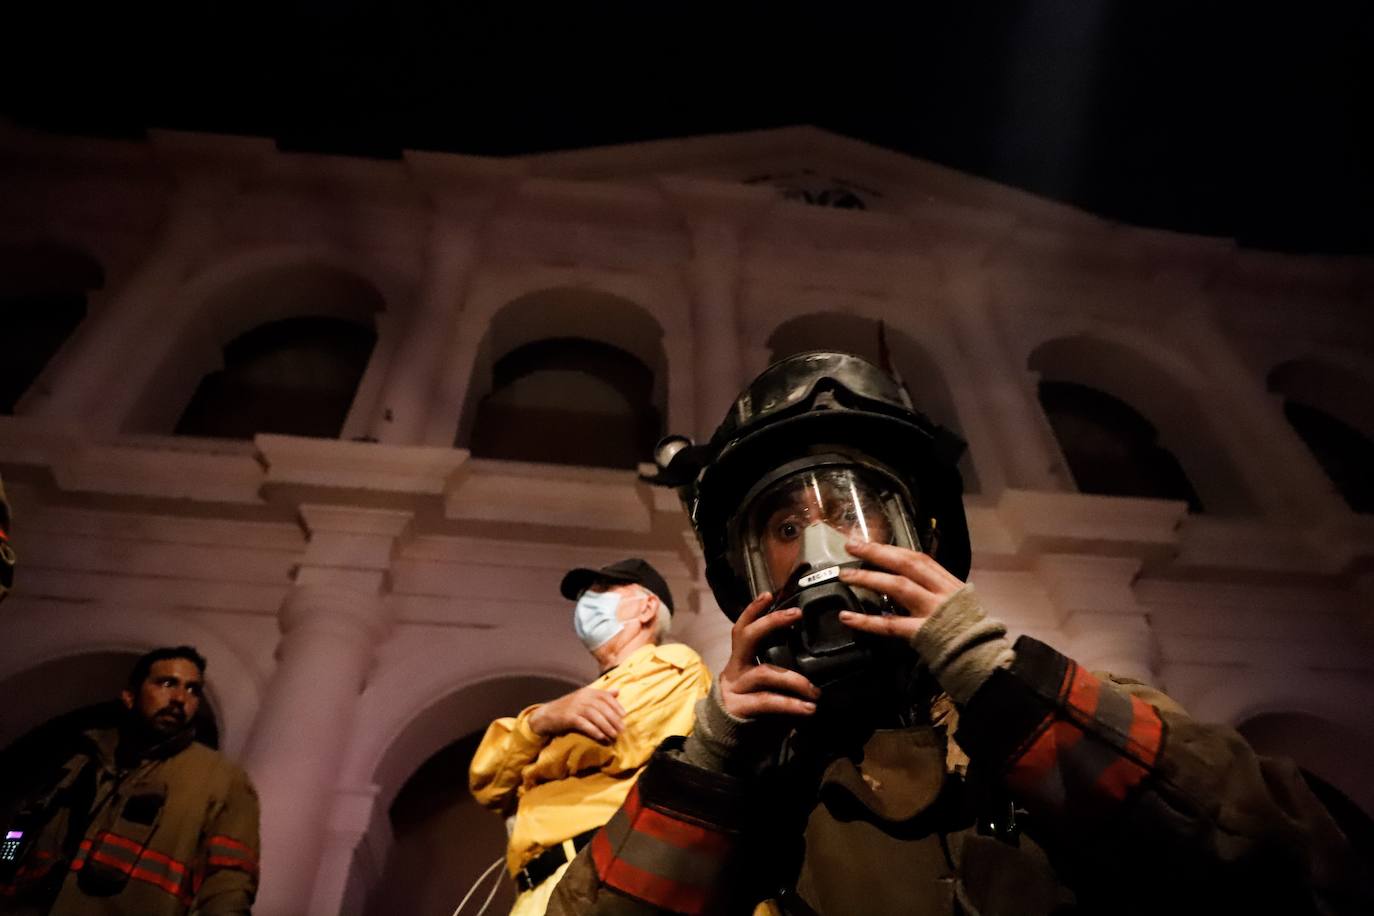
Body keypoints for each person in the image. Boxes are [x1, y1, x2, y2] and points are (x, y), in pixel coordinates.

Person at [545, 351, 1373, 915]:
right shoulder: (758, 786)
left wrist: (1005, 685)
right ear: (751, 572)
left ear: (927, 539)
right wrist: (710, 769)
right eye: (788, 528)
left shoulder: (1056, 706)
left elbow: (1304, 870)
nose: (828, 549)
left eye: (854, 511)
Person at [469, 558, 712, 916]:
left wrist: (529, 762)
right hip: (535, 891)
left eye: (603, 590)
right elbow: (486, 781)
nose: (587, 601)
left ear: (646, 607)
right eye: (585, 594)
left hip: (602, 873)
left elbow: (612, 742)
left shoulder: (674, 665)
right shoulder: (565, 708)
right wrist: (541, 720)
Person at [0, 646, 260, 915]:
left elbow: (230, 885)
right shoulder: (79, 761)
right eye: (167, 683)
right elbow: (20, 828)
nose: (180, 698)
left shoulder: (220, 779)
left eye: (193, 689)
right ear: (129, 696)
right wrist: (5, 868)